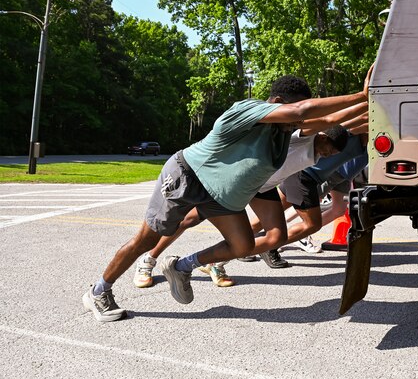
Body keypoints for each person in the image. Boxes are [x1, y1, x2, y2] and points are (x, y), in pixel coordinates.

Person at [83, 70, 370, 322]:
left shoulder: (284, 133)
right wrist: (360, 93)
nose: (298, 122)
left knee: (243, 244)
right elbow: (302, 112)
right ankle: (99, 290)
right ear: (278, 102)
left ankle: (183, 266)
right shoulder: (247, 109)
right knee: (143, 241)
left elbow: (330, 119)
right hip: (188, 175)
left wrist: (369, 103)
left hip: (219, 194)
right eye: (294, 111)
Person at [130, 102, 364, 288]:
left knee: (275, 237)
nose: (327, 156)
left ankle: (209, 262)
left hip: (262, 187)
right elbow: (335, 118)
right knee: (188, 219)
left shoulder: (322, 148)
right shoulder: (304, 135)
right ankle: (149, 259)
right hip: (241, 182)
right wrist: (366, 97)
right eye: (328, 151)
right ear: (322, 137)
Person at [248, 132, 368, 268]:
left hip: (337, 176)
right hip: (310, 174)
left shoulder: (371, 139)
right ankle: (260, 244)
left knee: (335, 211)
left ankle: (256, 242)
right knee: (303, 220)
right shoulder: (355, 130)